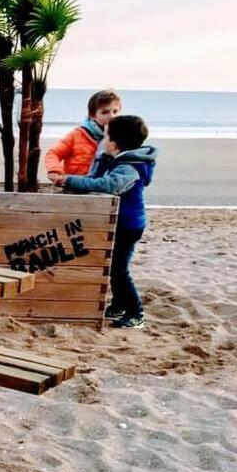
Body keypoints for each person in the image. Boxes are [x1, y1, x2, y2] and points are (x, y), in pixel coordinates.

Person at [51, 115, 157, 329]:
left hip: (128, 225)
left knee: (119, 270)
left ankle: (136, 313)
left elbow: (107, 185)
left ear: (115, 144)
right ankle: (118, 305)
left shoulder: (130, 167)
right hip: (121, 223)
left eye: (106, 137)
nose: (103, 140)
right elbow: (95, 175)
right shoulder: (120, 160)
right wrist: (103, 158)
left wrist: (70, 179)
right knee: (113, 266)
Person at [45, 89, 122, 181]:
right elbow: (53, 153)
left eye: (115, 111)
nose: (112, 116)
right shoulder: (77, 134)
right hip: (75, 187)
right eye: (105, 112)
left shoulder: (121, 137)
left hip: (103, 189)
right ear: (92, 115)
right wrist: (54, 171)